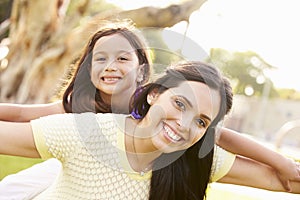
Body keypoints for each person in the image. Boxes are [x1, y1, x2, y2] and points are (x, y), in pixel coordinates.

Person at [0, 20, 300, 198]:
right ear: (154, 95)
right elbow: (21, 116)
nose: (111, 68)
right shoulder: (81, 121)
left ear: (143, 73)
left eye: (201, 121)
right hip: (73, 161)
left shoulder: (188, 149)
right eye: (100, 59)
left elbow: (223, 137)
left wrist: (283, 164)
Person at [0, 60, 233, 199]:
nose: (183, 124)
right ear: (154, 94)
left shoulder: (194, 159)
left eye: (201, 121)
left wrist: (211, 131)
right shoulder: (89, 132)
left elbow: (272, 176)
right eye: (180, 104)